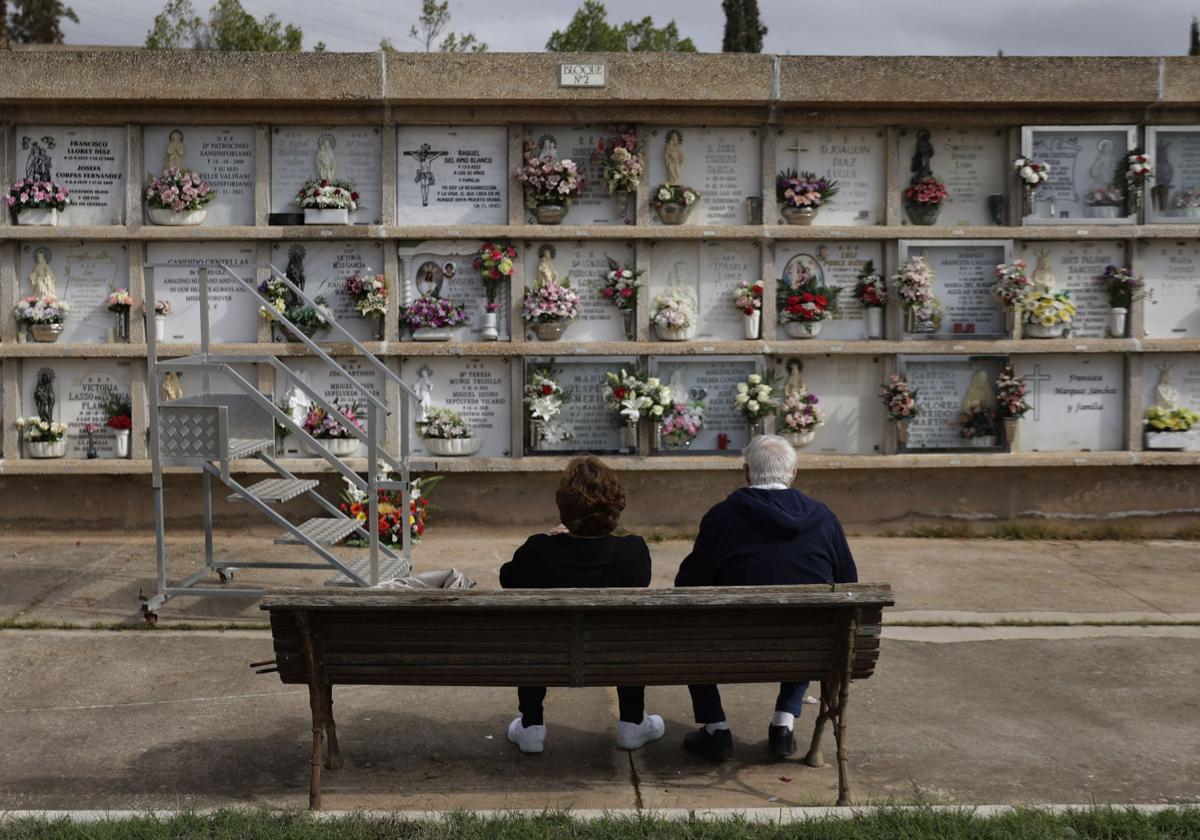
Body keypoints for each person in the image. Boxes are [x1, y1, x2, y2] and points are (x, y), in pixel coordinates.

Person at [674, 434, 857, 761]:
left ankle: (716, 728)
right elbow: (849, 583)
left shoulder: (721, 516)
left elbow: (688, 584)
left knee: (687, 626)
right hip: (805, 650)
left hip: (730, 645)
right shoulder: (824, 517)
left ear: (746, 472)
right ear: (794, 472)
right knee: (809, 621)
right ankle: (783, 724)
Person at [499, 455, 664, 754]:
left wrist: (554, 542)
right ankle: (632, 721)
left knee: (535, 635)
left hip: (548, 656)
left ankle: (531, 724)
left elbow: (507, 578)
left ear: (564, 506)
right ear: (615, 504)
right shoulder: (633, 552)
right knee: (626, 636)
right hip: (611, 655)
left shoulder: (538, 551)